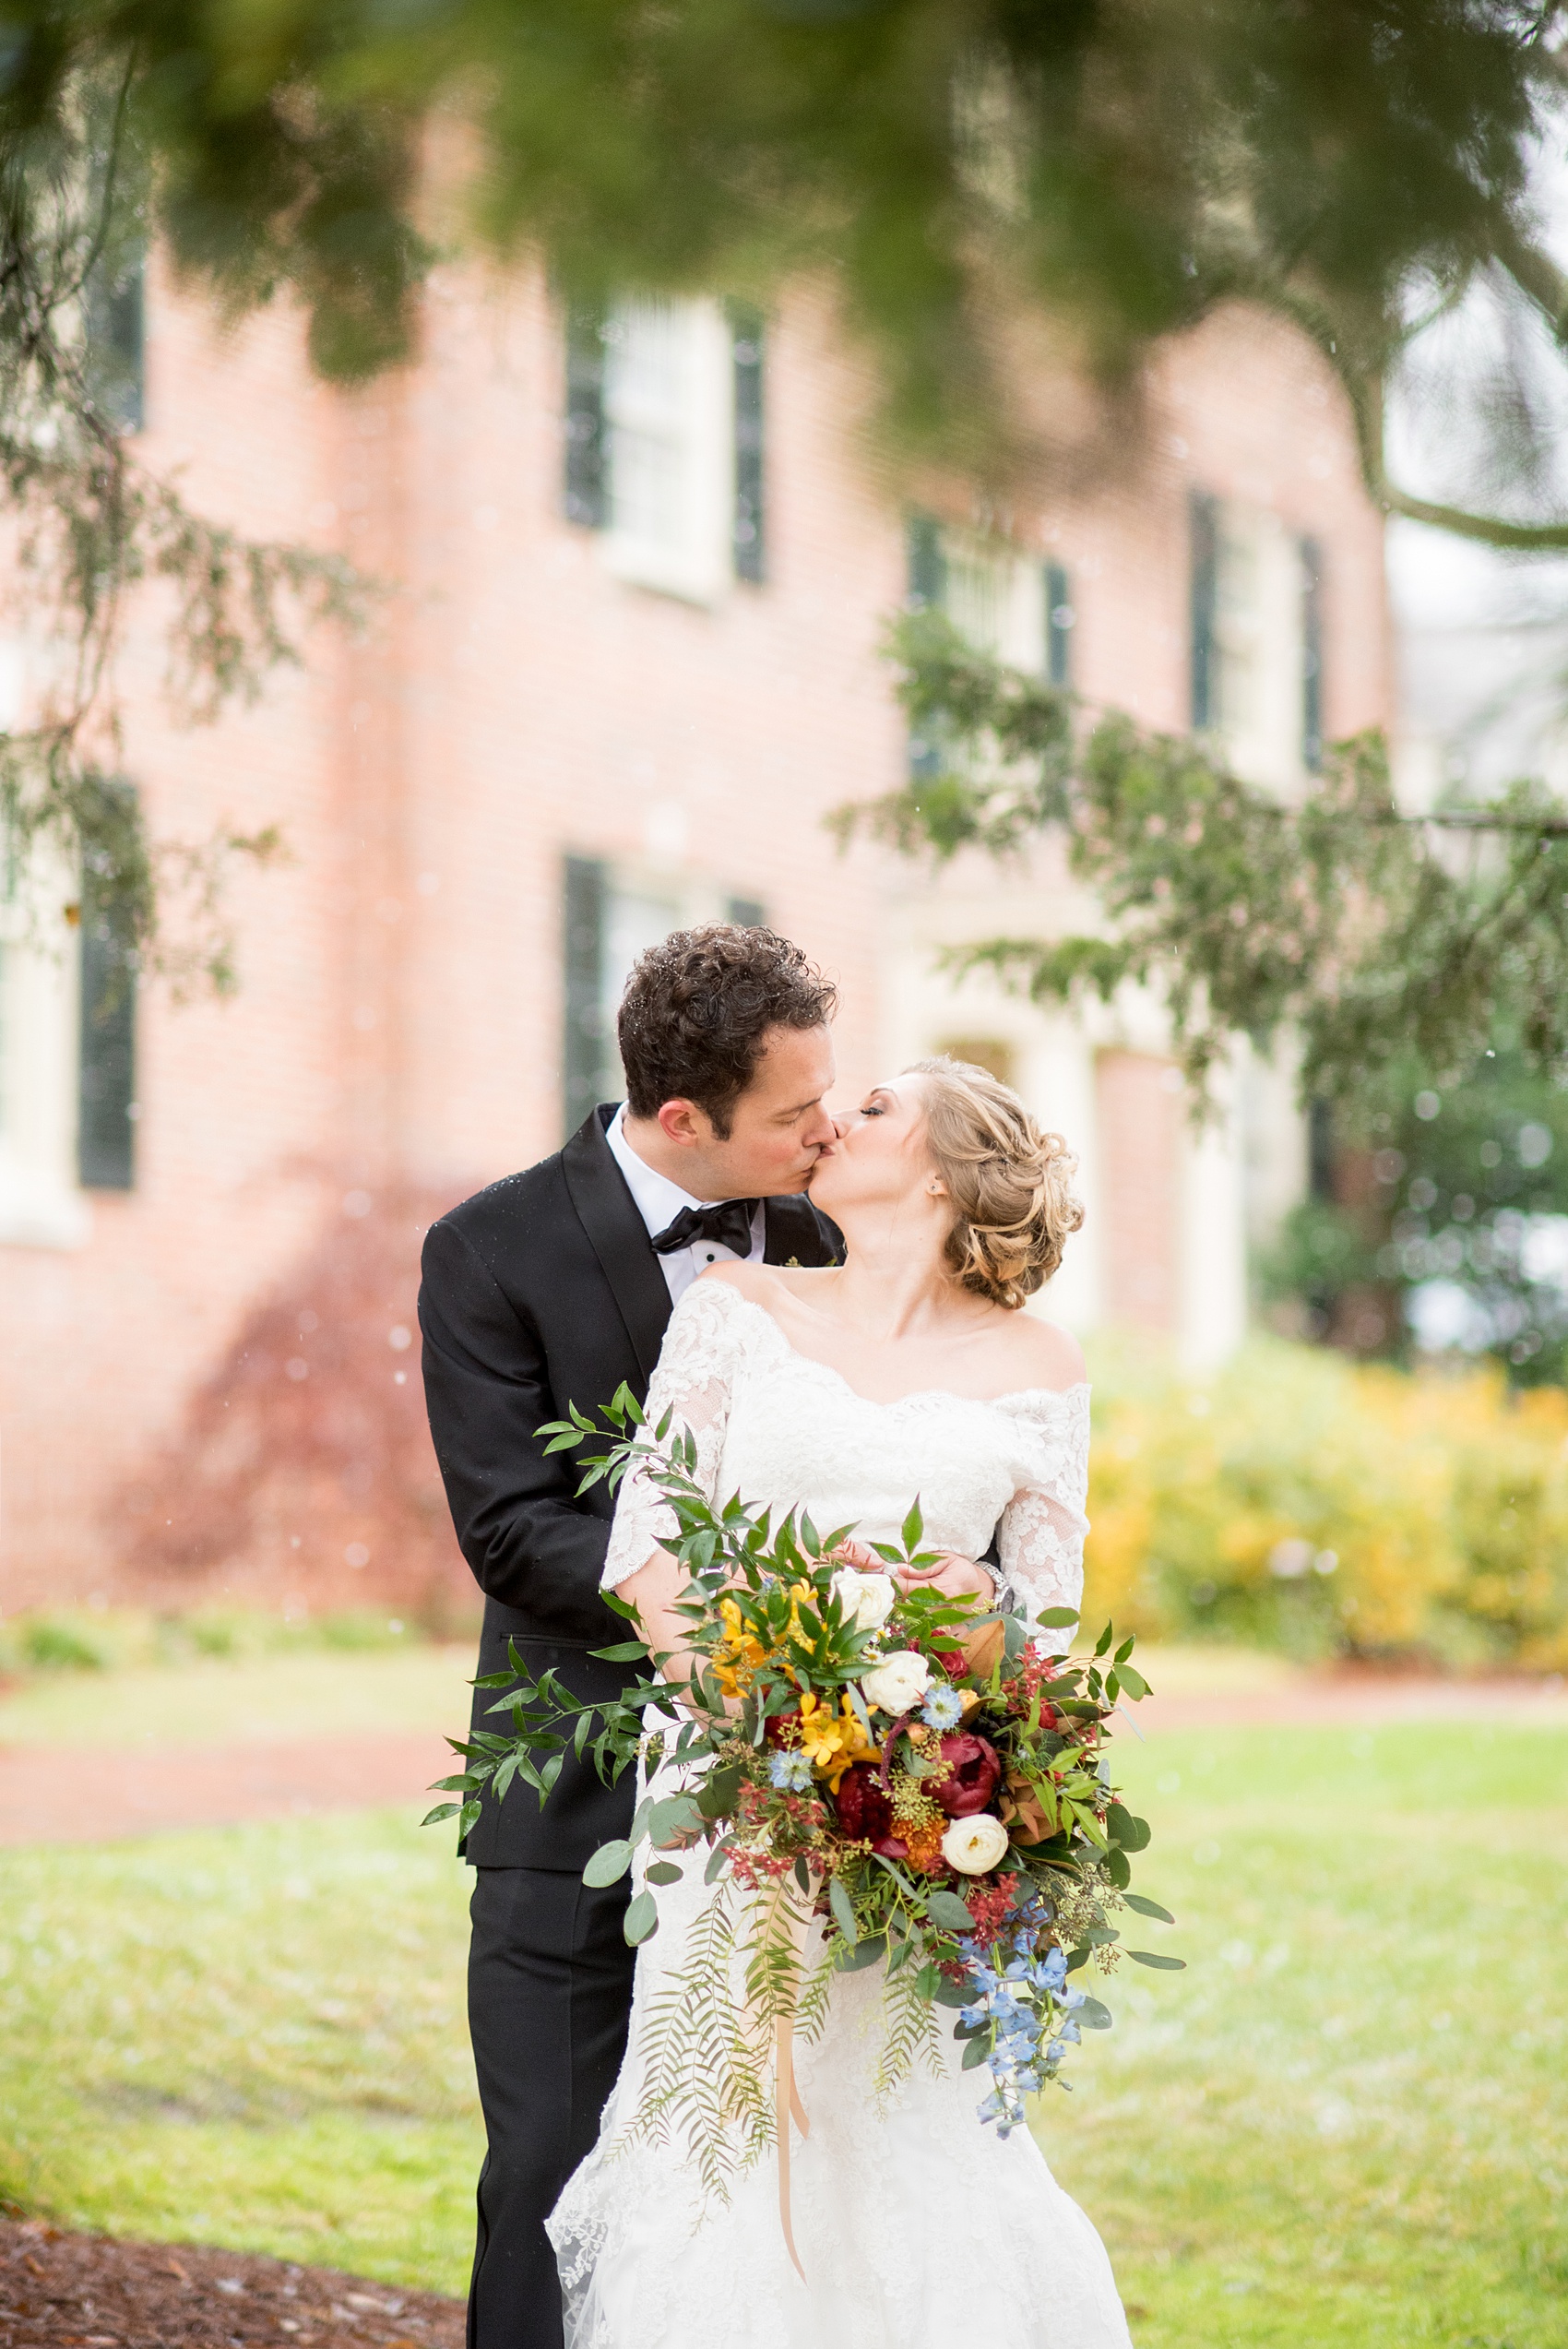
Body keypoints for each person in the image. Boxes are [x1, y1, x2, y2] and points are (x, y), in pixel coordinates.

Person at [418, 928, 1001, 2349]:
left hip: (801, 1818)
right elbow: (512, 1531)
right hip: (576, 1795)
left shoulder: (833, 1232)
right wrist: (755, 1628)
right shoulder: (488, 1249)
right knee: (549, 2179)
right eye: (798, 1112)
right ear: (685, 1118)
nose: (828, 1129)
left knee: (772, 2202)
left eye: (835, 1097)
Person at [546, 1056, 1133, 2349]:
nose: (833, 1116)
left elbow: (1036, 1629)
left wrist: (936, 1657)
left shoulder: (1041, 1361)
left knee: (896, 2120)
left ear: (939, 1167)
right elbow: (644, 1554)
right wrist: (771, 1740)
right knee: (732, 2132)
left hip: (919, 1811)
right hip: (733, 1796)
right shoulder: (737, 1305)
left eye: (873, 1107)